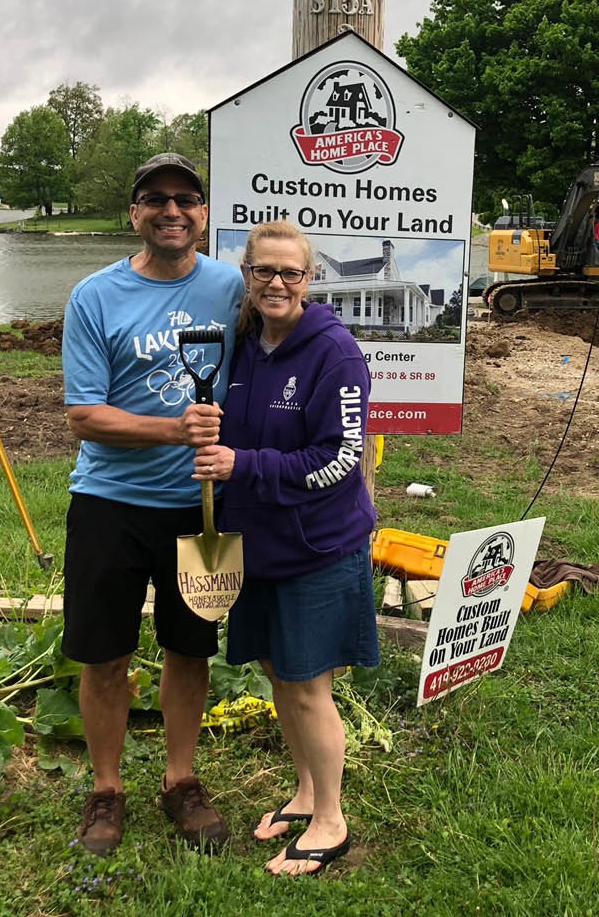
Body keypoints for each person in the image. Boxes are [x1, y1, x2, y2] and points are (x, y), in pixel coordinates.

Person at [61, 152, 245, 856]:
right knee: (104, 654)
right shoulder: (95, 296)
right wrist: (176, 428)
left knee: (189, 649)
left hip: (200, 508)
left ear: (203, 213)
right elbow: (84, 416)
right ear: (134, 213)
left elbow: (285, 337)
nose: (173, 210)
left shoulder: (232, 288)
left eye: (186, 199)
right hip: (110, 502)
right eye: (156, 199)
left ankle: (180, 780)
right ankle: (106, 791)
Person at [193, 220, 377, 877]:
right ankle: (305, 790)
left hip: (318, 547)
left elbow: (342, 460)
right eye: (263, 271)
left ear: (310, 279)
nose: (276, 283)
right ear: (247, 274)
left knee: (307, 687)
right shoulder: (243, 344)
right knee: (278, 674)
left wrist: (244, 466)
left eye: (289, 273)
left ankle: (331, 821)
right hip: (258, 544)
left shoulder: (335, 353)